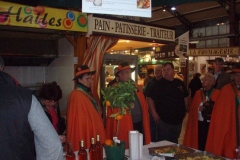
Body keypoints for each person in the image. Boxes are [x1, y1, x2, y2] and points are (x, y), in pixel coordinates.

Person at [0, 71, 63, 160]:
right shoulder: (26, 99)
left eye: (55, 101)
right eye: (50, 101)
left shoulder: (54, 109)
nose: (53, 103)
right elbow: (51, 145)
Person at [105, 62, 151, 148]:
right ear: (120, 75)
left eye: (129, 72)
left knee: (139, 145)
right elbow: (113, 109)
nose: (128, 75)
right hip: (126, 124)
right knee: (129, 145)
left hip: (139, 122)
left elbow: (143, 103)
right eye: (126, 72)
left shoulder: (136, 87)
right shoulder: (115, 89)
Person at [66, 65, 106, 151]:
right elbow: (80, 123)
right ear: (79, 79)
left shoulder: (84, 92)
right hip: (85, 133)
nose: (90, 81)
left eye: (91, 78)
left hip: (92, 131)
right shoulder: (77, 95)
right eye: (87, 79)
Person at [147, 62, 188, 143]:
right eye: (164, 70)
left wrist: (185, 110)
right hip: (163, 120)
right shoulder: (157, 84)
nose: (166, 72)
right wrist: (154, 113)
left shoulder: (179, 83)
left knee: (175, 141)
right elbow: (149, 98)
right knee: (163, 142)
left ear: (173, 71)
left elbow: (186, 96)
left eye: (168, 70)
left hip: (178, 120)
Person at [205, 66, 240, 159]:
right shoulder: (226, 90)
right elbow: (220, 112)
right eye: (237, 75)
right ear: (233, 76)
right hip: (230, 125)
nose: (239, 78)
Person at [183, 73, 220, 151]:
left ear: (211, 82)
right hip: (199, 123)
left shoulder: (217, 93)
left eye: (205, 79)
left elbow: (220, 110)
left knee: (210, 142)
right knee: (199, 142)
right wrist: (197, 108)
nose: (202, 81)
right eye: (202, 79)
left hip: (212, 123)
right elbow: (192, 108)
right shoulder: (198, 93)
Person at [143, 64, 162, 142]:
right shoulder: (150, 83)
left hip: (163, 112)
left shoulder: (165, 82)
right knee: (153, 131)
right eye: (155, 70)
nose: (157, 72)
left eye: (158, 70)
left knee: (162, 132)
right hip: (151, 111)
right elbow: (145, 95)